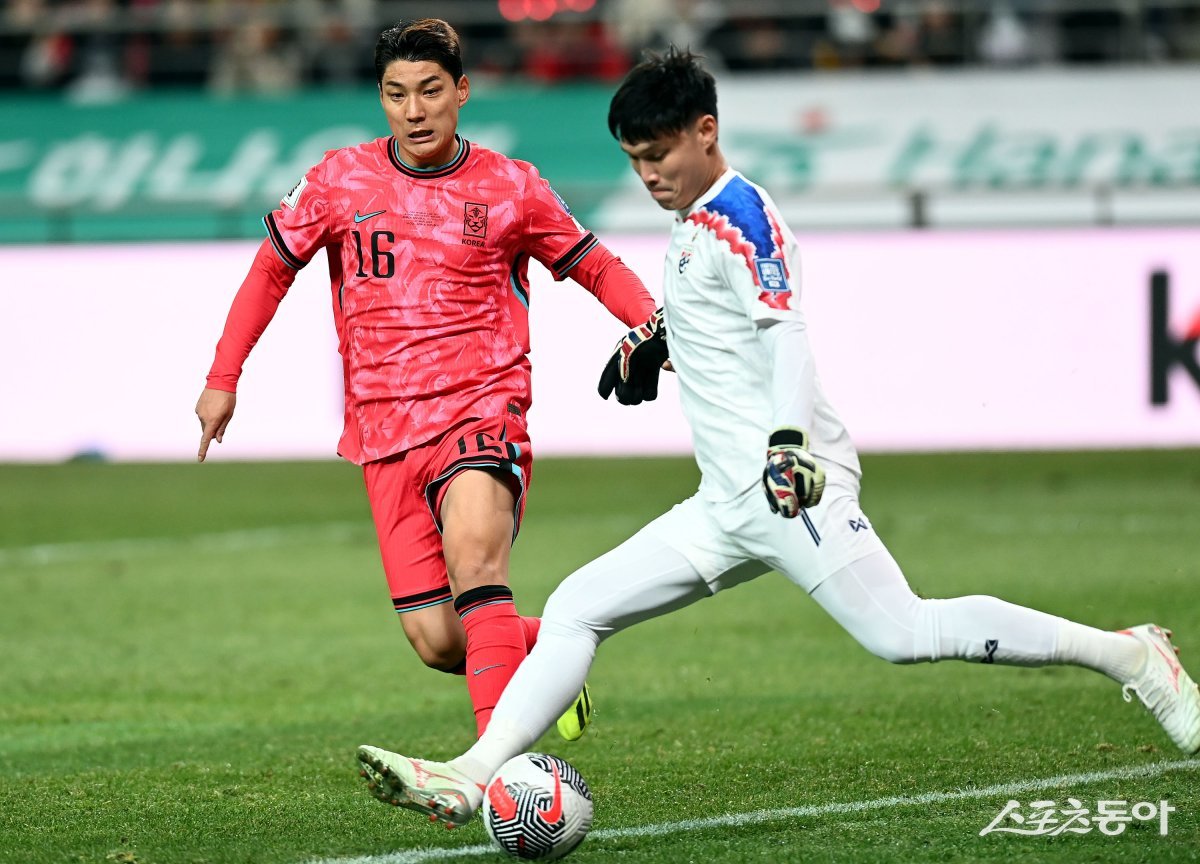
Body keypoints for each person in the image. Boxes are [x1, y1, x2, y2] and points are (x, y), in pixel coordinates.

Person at [354, 47, 1200, 826]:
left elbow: (784, 333)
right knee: (578, 607)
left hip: (787, 486)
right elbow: (718, 327)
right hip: (724, 504)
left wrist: (789, 445)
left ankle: (1129, 655)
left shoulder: (743, 216)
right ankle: (474, 773)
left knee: (903, 633)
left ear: (705, 131)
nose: (648, 175)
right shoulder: (692, 221)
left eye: (660, 154)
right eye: (635, 160)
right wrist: (655, 341)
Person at [195, 19, 656, 740]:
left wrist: (653, 324)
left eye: (430, 91)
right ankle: (549, 658)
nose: (414, 111)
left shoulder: (512, 186)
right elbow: (270, 269)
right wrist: (224, 375)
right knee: (440, 640)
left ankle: (496, 772)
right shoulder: (339, 180)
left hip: (481, 409)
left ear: (461, 91)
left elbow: (594, 263)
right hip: (383, 431)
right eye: (396, 93)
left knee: (476, 565)